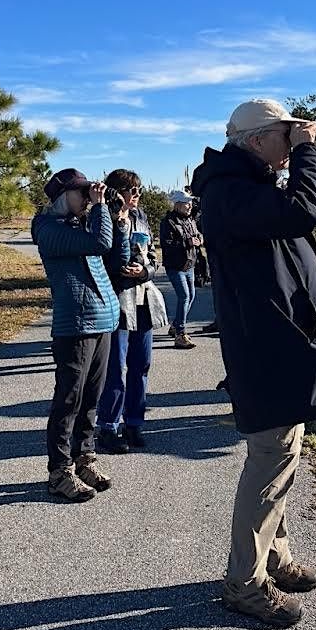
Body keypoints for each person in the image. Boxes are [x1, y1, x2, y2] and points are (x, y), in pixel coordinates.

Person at [190, 99, 316, 628]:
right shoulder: (229, 192)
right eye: (286, 135)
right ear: (256, 139)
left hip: (283, 344)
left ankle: (274, 556)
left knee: (283, 458)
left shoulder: (247, 184)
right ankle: (245, 583)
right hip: (268, 349)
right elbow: (307, 210)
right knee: (270, 462)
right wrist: (309, 152)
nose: (294, 142)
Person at [32, 168, 130, 501]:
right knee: (69, 401)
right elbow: (100, 243)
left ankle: (84, 458)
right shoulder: (48, 230)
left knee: (92, 398)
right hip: (75, 324)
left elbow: (117, 257)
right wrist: (101, 210)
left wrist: (121, 221)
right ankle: (59, 472)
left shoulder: (81, 226)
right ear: (63, 196)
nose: (89, 200)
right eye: (83, 194)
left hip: (102, 320)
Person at [96, 169, 167, 453]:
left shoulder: (142, 217)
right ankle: (108, 427)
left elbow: (153, 258)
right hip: (116, 300)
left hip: (143, 299)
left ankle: (134, 423)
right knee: (115, 368)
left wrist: (146, 270)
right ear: (117, 193)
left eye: (139, 191)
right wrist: (119, 227)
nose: (137, 196)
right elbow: (102, 259)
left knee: (141, 365)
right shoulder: (102, 219)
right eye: (132, 191)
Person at [160, 190, 202, 349]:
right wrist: (188, 242)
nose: (190, 205)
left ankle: (176, 325)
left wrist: (199, 237)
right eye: (186, 202)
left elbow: (196, 234)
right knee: (184, 296)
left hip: (189, 264)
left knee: (191, 296)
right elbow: (167, 244)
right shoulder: (168, 222)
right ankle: (180, 333)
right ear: (177, 204)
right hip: (175, 266)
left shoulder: (190, 219)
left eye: (190, 202)